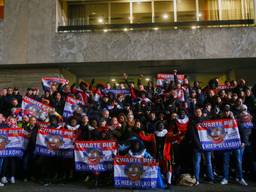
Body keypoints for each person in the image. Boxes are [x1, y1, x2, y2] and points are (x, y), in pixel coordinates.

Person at [189, 108, 214, 185]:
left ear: (201, 113)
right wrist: (199, 145)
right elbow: (193, 135)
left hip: (207, 145)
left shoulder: (206, 121)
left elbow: (211, 132)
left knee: (209, 162)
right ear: (195, 113)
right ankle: (197, 179)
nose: (198, 113)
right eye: (196, 112)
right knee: (197, 163)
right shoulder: (192, 122)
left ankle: (211, 179)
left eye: (199, 111)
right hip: (197, 146)